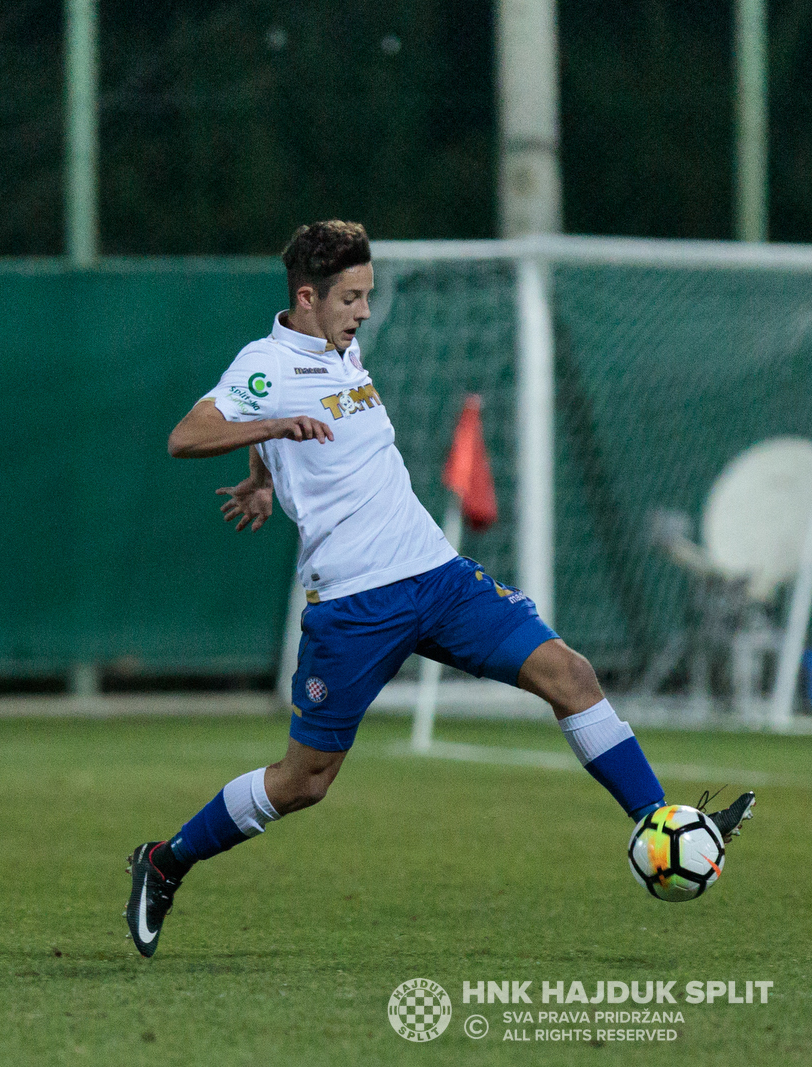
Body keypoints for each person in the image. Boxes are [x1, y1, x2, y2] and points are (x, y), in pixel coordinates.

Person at [123, 220, 755, 958]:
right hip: (355, 605)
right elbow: (187, 435)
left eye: (368, 295)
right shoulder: (264, 364)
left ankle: (658, 821)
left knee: (571, 675)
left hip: (436, 574)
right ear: (307, 296)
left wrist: (265, 479)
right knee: (304, 781)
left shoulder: (339, 346)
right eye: (352, 297)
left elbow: (299, 437)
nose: (363, 311)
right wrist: (274, 431)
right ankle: (164, 862)